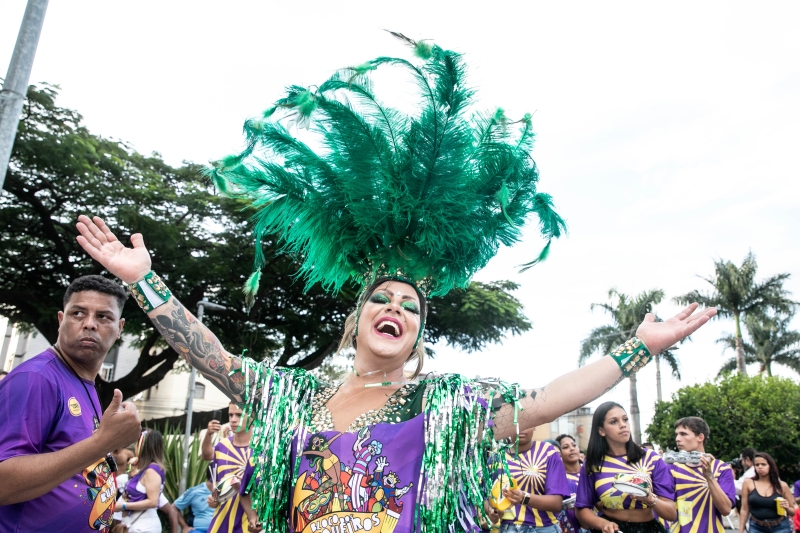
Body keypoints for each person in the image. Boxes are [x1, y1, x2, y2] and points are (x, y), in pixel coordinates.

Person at [74, 33, 716, 533]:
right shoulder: (294, 396)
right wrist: (147, 281)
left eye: (409, 306)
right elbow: (205, 356)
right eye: (380, 298)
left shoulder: (446, 407)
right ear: (354, 320)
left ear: (416, 334)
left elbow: (549, 402)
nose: (394, 308)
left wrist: (641, 347)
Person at [0, 275, 142, 533]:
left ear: (119, 327)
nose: (89, 324)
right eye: (78, 313)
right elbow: (3, 483)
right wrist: (104, 442)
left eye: (103, 317)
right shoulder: (36, 378)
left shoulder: (83, 383)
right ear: (60, 320)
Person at [575, 402, 677, 533]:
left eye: (625, 419)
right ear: (601, 430)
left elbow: (671, 514)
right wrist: (602, 524)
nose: (623, 425)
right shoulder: (593, 463)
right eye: (614, 422)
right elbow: (582, 509)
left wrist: (650, 498)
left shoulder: (651, 458)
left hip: (648, 529)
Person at [490, 428, 570, 533]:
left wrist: (524, 498)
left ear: (535, 425)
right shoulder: (497, 456)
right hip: (508, 528)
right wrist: (493, 512)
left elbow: (556, 503)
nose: (521, 428)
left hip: (544, 528)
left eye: (527, 423)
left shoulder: (548, 452)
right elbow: (487, 498)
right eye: (517, 423)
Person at [669, 416, 735, 533]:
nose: (677, 439)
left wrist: (709, 477)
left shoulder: (721, 468)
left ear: (700, 437)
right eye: (677, 434)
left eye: (683, 434)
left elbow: (726, 509)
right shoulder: (672, 468)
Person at [202, 403, 254, 532]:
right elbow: (207, 456)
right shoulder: (222, 445)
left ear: (253, 417)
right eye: (230, 415)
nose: (233, 420)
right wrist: (213, 498)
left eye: (239, 415)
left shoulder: (261, 449)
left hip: (250, 523)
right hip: (221, 522)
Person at [117, 430, 166, 533]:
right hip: (136, 525)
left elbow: (153, 501)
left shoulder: (152, 470)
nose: (135, 446)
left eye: (137, 443)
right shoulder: (145, 469)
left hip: (145, 527)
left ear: (142, 447)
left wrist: (123, 506)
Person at [739, 452, 796, 533]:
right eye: (757, 465)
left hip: (780, 527)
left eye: (763, 464)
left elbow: (792, 512)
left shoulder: (782, 486)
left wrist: (786, 507)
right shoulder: (748, 483)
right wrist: (740, 531)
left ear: (770, 466)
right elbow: (744, 509)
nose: (760, 467)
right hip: (756, 527)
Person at [556, 434, 587, 533]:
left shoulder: (591, 471)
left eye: (574, 445)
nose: (572, 449)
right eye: (566, 447)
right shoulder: (558, 479)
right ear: (559, 454)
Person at [174, 467, 216, 533]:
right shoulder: (195, 491)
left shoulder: (228, 491)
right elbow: (174, 507)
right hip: (199, 530)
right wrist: (184, 526)